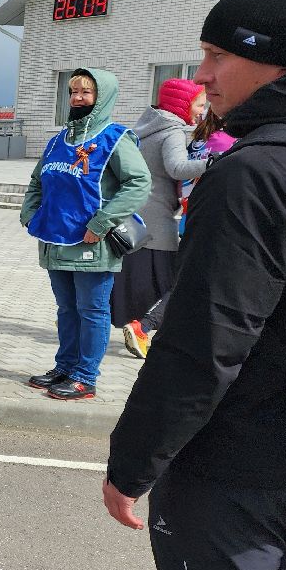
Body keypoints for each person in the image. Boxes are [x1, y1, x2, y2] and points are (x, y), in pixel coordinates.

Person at [79, 0, 286, 570]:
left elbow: (205, 343)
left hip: (238, 460)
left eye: (218, 53)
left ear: (276, 63)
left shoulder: (255, 172)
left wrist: (134, 464)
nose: (203, 74)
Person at [19, 69, 149, 401]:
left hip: (92, 244)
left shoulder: (115, 139)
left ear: (101, 97)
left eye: (86, 92)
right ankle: (65, 367)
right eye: (73, 90)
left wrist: (101, 223)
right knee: (67, 309)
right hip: (54, 242)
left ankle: (85, 376)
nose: (77, 97)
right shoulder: (57, 141)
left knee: (91, 310)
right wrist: (31, 213)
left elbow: (139, 184)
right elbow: (38, 182)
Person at [114, 78, 208, 359]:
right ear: (183, 103)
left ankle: (90, 318)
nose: (201, 112)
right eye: (199, 105)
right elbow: (178, 168)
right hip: (159, 219)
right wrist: (216, 161)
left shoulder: (145, 127)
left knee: (135, 276)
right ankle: (142, 327)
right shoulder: (172, 132)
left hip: (137, 214)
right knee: (178, 285)